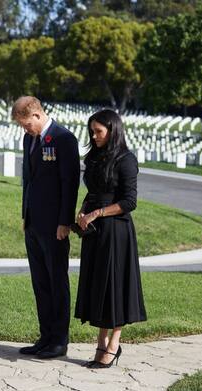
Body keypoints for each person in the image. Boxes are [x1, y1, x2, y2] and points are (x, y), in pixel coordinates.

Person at [74, 109, 147, 368]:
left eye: (98, 132)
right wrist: (83, 210)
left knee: (115, 289)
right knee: (99, 288)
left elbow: (129, 202)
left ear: (113, 130)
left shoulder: (126, 160)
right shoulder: (94, 157)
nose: (94, 137)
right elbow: (93, 191)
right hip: (95, 233)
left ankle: (113, 344)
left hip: (117, 232)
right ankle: (100, 340)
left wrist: (96, 213)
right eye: (91, 132)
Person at [12, 96, 80, 359]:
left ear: (37, 115)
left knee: (56, 281)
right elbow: (28, 179)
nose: (25, 130)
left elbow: (69, 183)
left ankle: (59, 340)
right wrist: (25, 215)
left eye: (27, 124)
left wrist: (65, 222)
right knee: (40, 282)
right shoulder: (29, 139)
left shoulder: (64, 139)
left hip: (55, 225)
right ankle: (45, 336)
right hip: (33, 223)